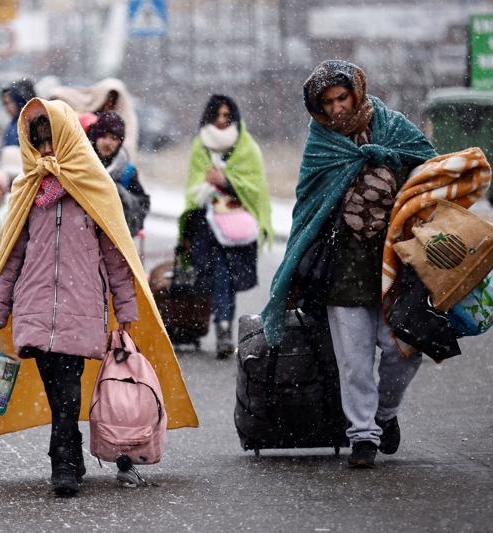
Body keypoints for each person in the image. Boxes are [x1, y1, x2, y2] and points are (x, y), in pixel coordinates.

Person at [0, 98, 198, 497]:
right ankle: (66, 451)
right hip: (34, 305)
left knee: (68, 386)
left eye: (52, 140)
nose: (47, 151)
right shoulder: (27, 189)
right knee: (57, 387)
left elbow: (115, 255)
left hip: (80, 305)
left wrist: (126, 310)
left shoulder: (93, 187)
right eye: (39, 143)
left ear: (68, 137)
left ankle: (64, 460)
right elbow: (10, 258)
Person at [261, 60, 438, 468]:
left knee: (403, 351)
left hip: (399, 262)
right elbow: (309, 206)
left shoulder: (392, 127)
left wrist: (390, 158)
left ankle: (385, 415)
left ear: (356, 92)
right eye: (328, 102)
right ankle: (362, 436)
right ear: (318, 108)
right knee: (354, 361)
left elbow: (431, 168)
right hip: (343, 267)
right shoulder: (321, 144)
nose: (338, 108)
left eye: (343, 97)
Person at [182, 94, 272, 358]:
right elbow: (192, 187)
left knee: (225, 276)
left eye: (226, 116)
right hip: (205, 226)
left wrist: (225, 181)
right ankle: (222, 327)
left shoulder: (247, 148)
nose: (222, 121)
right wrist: (207, 185)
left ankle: (223, 327)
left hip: (237, 227)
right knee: (217, 276)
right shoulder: (200, 147)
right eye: (217, 115)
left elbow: (255, 189)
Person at [88, 111, 150, 236]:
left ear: (120, 142)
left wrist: (118, 193)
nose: (108, 142)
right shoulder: (78, 163)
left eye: (114, 138)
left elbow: (141, 207)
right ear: (95, 137)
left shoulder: (127, 173)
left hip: (112, 241)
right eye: (103, 136)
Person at [47, 78, 139, 158]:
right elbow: (62, 95)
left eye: (113, 99)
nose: (109, 103)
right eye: (108, 97)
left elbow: (128, 147)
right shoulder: (87, 111)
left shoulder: (125, 118)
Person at [0, 78, 36, 147]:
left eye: (9, 102)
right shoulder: (13, 125)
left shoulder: (29, 125)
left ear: (19, 101)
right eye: (4, 104)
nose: (7, 108)